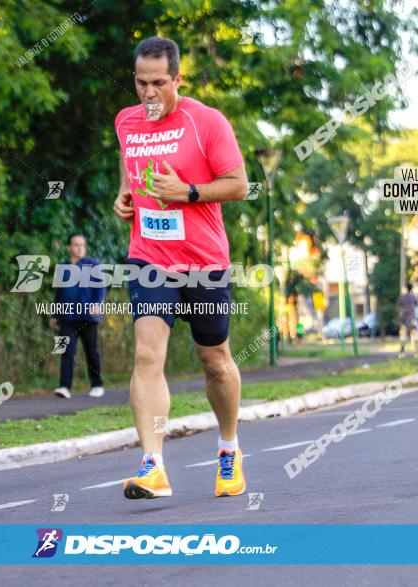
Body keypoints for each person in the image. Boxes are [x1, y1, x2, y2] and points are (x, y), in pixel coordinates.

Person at [112, 36, 249, 499]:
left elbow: (238, 185)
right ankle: (153, 465)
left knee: (215, 362)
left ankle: (228, 449)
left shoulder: (206, 122)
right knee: (147, 353)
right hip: (150, 255)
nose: (148, 94)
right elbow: (129, 160)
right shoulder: (126, 121)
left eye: (158, 84)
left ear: (177, 79)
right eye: (140, 83)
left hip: (205, 260)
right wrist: (125, 194)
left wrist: (188, 192)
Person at [49, 234, 106, 399]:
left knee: (91, 351)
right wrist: (55, 314)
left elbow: (101, 287)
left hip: (88, 317)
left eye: (82, 245)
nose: (80, 248)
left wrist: (97, 303)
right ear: (69, 247)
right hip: (67, 318)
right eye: (76, 245)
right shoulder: (62, 268)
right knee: (66, 351)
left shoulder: (93, 264)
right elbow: (59, 293)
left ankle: (97, 385)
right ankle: (64, 387)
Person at [396, 283, 418, 358]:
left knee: (403, 336)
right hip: (412, 319)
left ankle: (402, 353)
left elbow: (397, 307)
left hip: (403, 319)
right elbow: (417, 303)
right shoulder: (413, 296)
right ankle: (416, 353)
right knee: (414, 336)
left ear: (405, 288)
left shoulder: (401, 297)